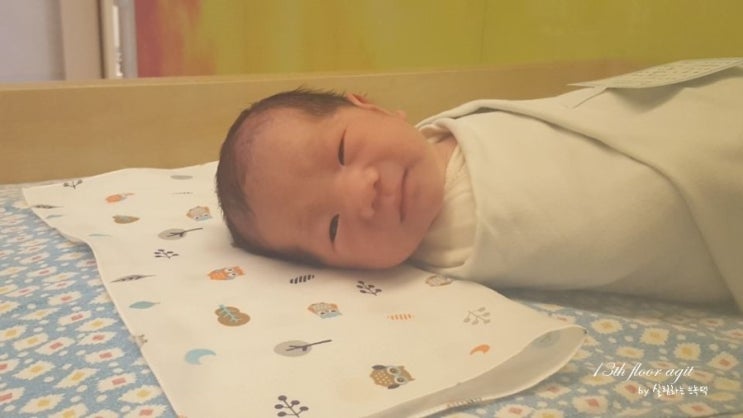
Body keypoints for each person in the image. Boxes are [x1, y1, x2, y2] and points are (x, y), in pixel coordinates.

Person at [216, 64, 743, 307]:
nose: (361, 195)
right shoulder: (449, 251)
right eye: (332, 228)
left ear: (370, 106)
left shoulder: (448, 128)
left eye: (342, 151)